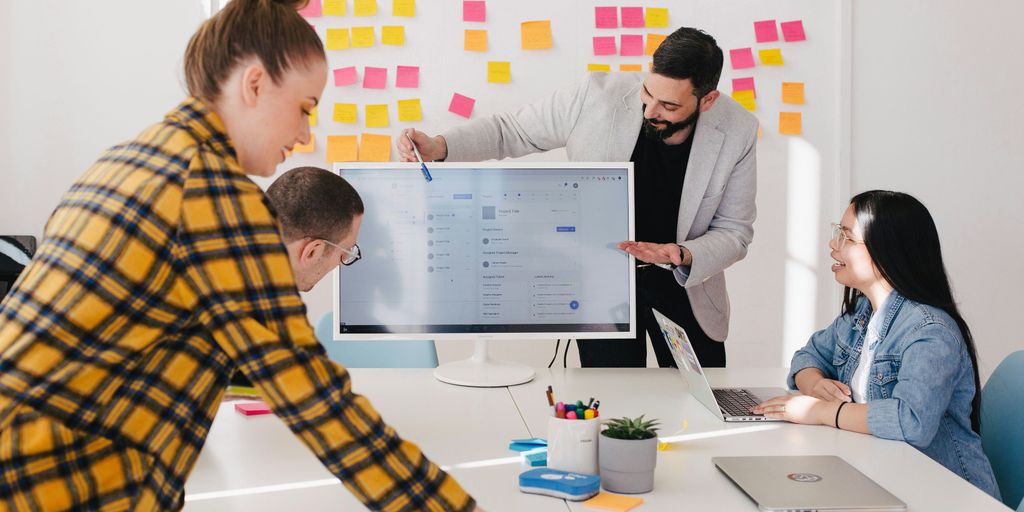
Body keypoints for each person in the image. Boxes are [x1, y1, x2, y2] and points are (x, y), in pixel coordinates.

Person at [0, 1, 476, 510]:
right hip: (54, 488)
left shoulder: (126, 159)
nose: (304, 136)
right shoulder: (211, 195)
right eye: (304, 109)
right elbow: (322, 407)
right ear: (254, 85)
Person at [398, 26, 757, 369]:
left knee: (702, 408)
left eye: (668, 106)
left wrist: (681, 254)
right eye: (647, 94)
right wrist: (441, 146)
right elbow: (511, 131)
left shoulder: (738, 129)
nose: (649, 111)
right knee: (614, 410)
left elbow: (735, 231)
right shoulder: (594, 94)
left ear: (707, 100)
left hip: (685, 285)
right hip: (601, 286)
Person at [752, 190, 1000, 499]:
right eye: (836, 233)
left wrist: (821, 411)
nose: (832, 245)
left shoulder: (930, 331)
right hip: (884, 477)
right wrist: (815, 384)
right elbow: (808, 355)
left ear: (888, 251)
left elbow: (910, 421)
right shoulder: (862, 314)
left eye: (845, 237)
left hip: (947, 495)